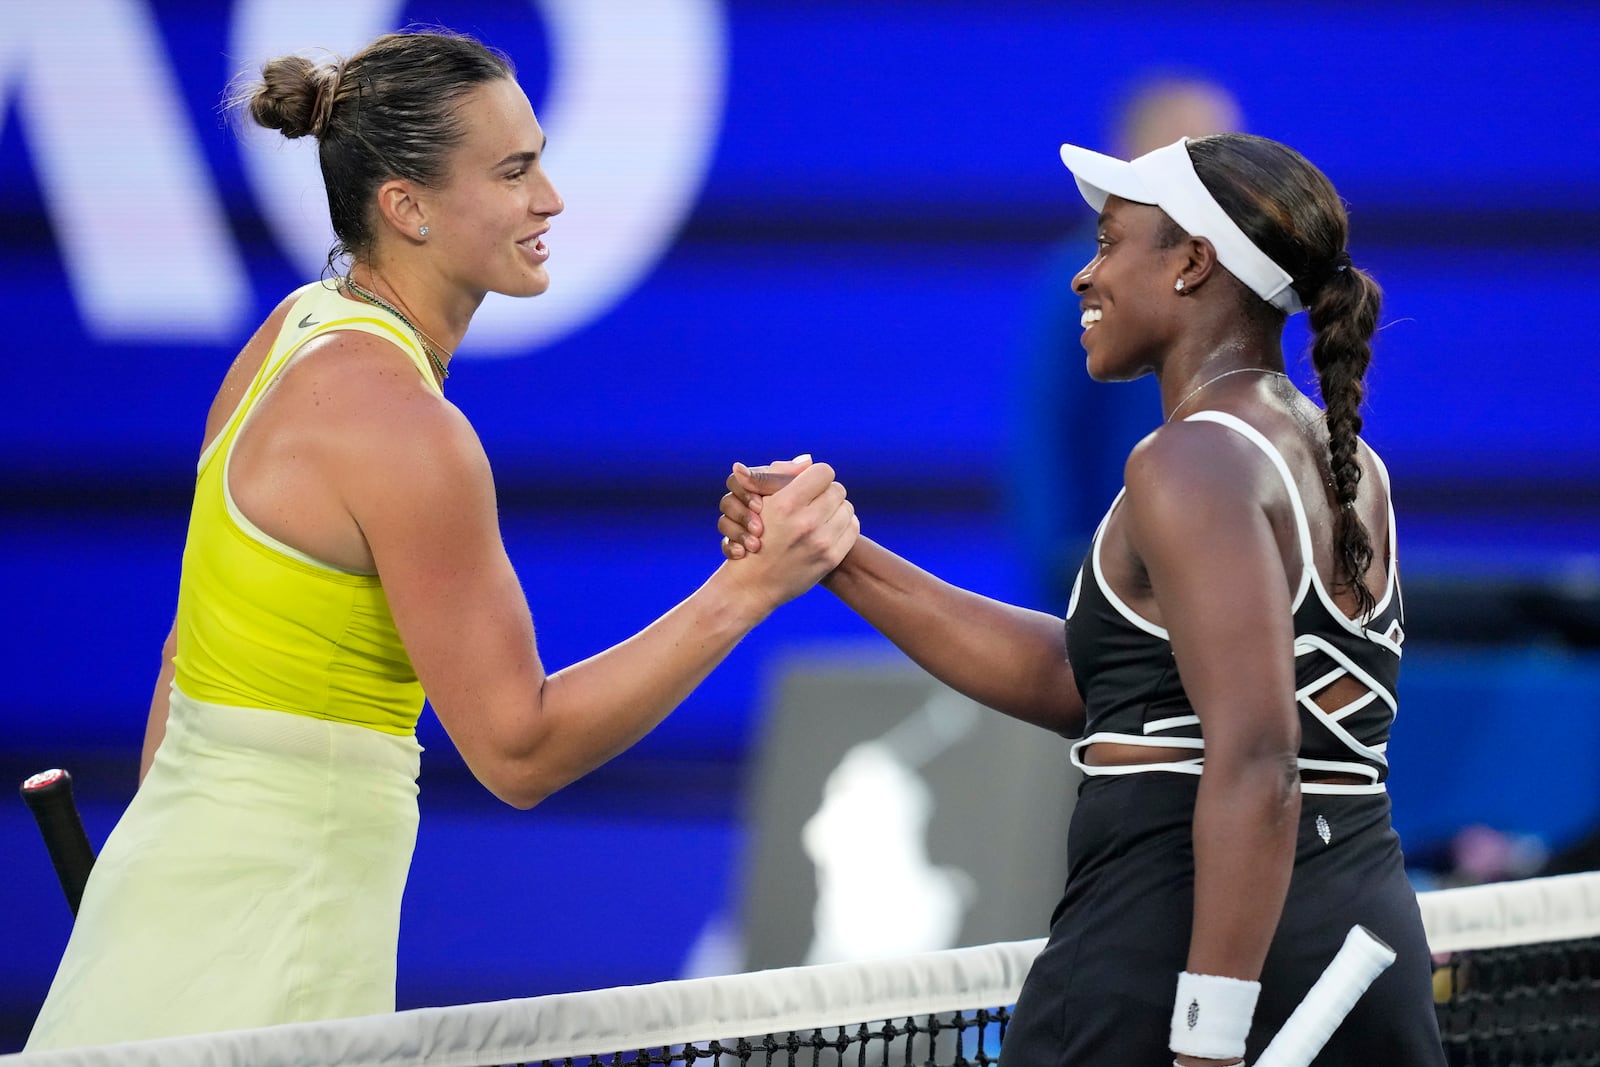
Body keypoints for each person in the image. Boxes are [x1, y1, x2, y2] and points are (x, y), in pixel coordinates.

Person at [25, 28, 856, 1051]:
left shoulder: (292, 329)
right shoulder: (407, 432)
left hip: (159, 913)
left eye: (541, 158)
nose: (551, 198)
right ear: (405, 207)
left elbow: (180, 662)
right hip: (264, 959)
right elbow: (518, 748)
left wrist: (151, 890)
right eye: (513, 172)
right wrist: (750, 588)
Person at [719, 133, 1446, 1064]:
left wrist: (1209, 1036)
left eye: (1108, 243)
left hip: (1176, 942)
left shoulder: (1190, 459)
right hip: (1353, 940)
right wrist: (841, 556)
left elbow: (1261, 753)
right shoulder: (1348, 465)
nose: (1083, 276)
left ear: (1192, 264)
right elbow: (1091, 681)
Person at [1009, 74, 1243, 610]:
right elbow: (1045, 436)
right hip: (1113, 578)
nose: (1214, 169)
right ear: (1130, 154)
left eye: (1222, 147)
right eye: (1190, 148)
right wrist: (1066, 572)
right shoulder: (1083, 276)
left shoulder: (1246, 278)